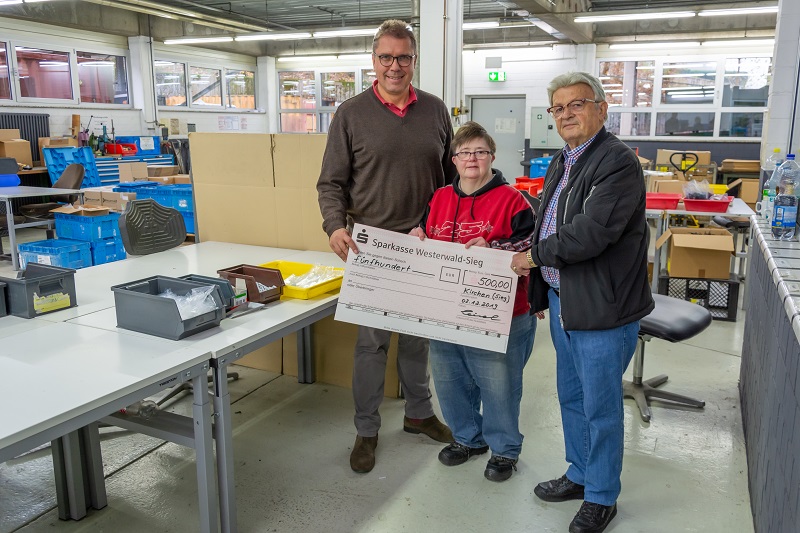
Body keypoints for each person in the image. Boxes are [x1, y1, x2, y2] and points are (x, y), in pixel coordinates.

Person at [510, 72, 654, 533]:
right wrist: (539, 284)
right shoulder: (561, 161)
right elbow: (546, 223)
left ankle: (602, 496)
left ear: (601, 108)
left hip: (602, 308)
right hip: (564, 301)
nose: (567, 114)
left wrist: (532, 257)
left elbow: (590, 234)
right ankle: (579, 473)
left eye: (577, 104)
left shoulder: (616, 163)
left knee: (600, 406)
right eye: (559, 108)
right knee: (571, 397)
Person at [316, 19, 458, 474]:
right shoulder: (351, 114)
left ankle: (418, 414)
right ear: (373, 61)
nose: (394, 66)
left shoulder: (435, 111)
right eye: (386, 57)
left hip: (425, 242)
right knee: (371, 346)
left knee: (419, 340)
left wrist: (447, 227)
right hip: (371, 247)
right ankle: (367, 430)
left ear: (414, 60)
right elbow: (330, 183)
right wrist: (335, 226)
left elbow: (452, 179)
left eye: (403, 57)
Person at [411, 121, 540, 482]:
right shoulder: (438, 198)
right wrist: (417, 235)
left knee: (498, 384)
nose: (472, 158)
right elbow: (425, 233)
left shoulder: (513, 199)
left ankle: (504, 450)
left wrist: (495, 248)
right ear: (453, 159)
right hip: (444, 307)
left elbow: (533, 248)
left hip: (501, 312)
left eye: (480, 152)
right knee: (450, 378)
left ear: (492, 157)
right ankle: (468, 438)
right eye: (465, 152)